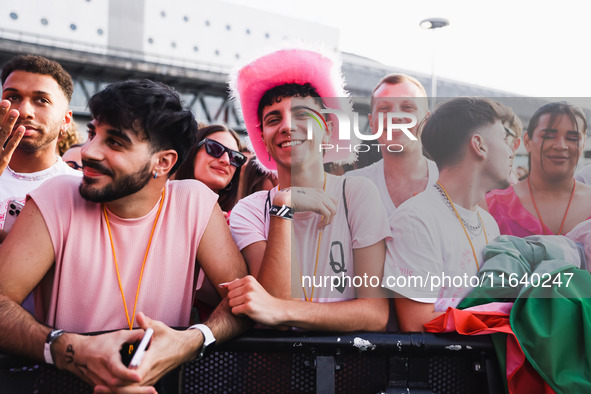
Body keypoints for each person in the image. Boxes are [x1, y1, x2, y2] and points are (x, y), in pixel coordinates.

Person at [0, 79, 249, 393]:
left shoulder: (194, 201)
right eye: (93, 134)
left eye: (115, 142)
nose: (89, 151)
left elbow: (241, 301)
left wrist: (190, 341)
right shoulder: (57, 195)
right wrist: (71, 350)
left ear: (163, 162)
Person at [227, 48, 391, 331]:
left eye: (302, 115)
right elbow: (273, 313)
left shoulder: (357, 193)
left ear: (327, 129)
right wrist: (283, 206)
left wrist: (282, 311)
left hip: (346, 369)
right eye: (273, 119)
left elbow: (374, 312)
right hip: (274, 370)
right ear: (263, 141)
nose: (288, 126)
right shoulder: (250, 210)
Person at [384, 97, 513, 331]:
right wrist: (502, 316)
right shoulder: (416, 220)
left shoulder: (488, 222)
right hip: (442, 367)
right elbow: (416, 324)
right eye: (504, 138)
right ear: (479, 145)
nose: (511, 150)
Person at [0, 55, 81, 236]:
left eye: (42, 100)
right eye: (13, 97)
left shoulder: (81, 189)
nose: (24, 111)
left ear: (65, 120)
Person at [484, 102, 591, 236]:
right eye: (548, 136)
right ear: (527, 141)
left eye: (572, 138)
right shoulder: (490, 206)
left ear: (583, 144)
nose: (561, 146)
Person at [346, 74, 438, 219]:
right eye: (384, 109)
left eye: (407, 107)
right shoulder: (349, 186)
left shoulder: (453, 184)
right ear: (372, 122)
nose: (394, 116)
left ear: (425, 120)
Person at [175, 124, 247, 213]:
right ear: (193, 152)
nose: (226, 160)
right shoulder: (159, 202)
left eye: (235, 157)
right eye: (215, 148)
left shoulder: (237, 223)